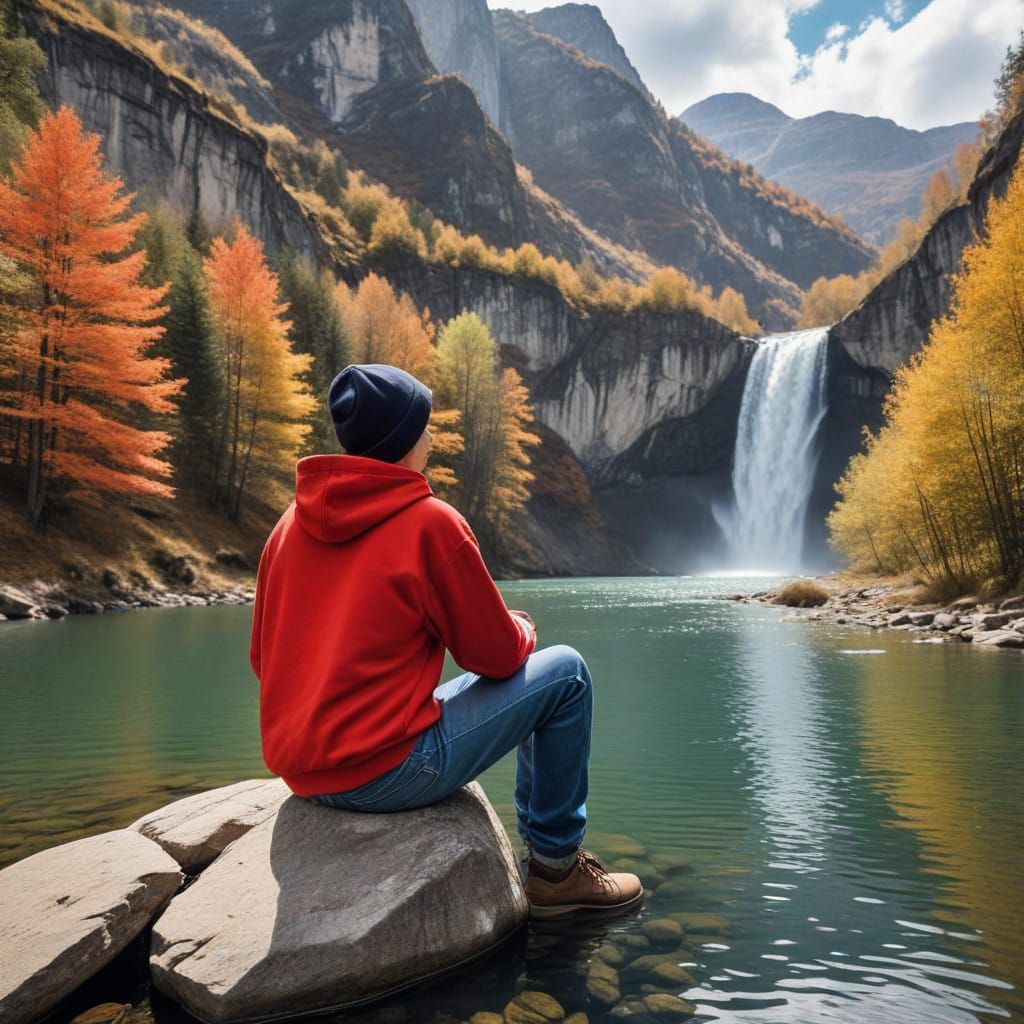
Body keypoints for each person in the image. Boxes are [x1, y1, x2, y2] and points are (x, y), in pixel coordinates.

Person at [249, 362, 643, 918]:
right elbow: (496, 657)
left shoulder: (285, 529)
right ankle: (556, 870)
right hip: (387, 775)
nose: (431, 436)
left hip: (303, 774)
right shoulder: (430, 523)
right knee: (567, 674)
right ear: (404, 438)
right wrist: (521, 627)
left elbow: (262, 660)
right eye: (424, 425)